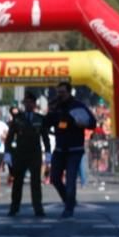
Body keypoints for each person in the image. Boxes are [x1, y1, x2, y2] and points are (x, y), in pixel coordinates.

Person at [44, 81, 95, 218]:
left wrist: (79, 123)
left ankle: (68, 209)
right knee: (54, 178)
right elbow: (46, 124)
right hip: (60, 148)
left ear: (69, 92)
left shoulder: (78, 106)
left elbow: (92, 123)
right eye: (58, 92)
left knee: (71, 179)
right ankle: (68, 201)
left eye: (62, 92)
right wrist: (51, 111)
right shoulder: (56, 106)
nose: (60, 95)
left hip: (74, 148)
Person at [5, 92, 50, 217]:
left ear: (34, 104)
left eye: (31, 102)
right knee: (17, 181)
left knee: (35, 182)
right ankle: (14, 207)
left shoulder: (40, 118)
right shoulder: (18, 118)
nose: (28, 104)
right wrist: (7, 152)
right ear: (24, 103)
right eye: (26, 102)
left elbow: (45, 137)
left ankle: (38, 207)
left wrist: (48, 152)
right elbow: (10, 137)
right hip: (20, 153)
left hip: (35, 153)